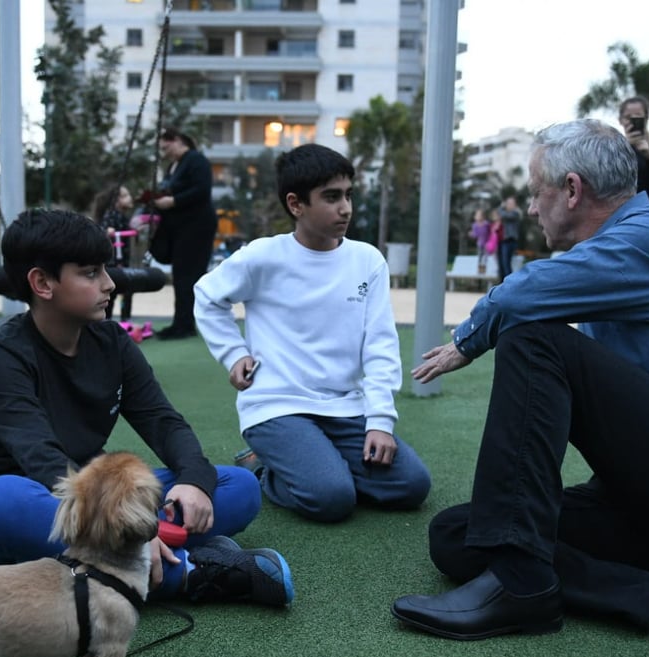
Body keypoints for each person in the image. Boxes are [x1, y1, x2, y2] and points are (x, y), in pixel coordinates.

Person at [390, 120, 649, 657]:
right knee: (461, 534)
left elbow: (525, 294)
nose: (530, 208)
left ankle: (523, 585)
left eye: (536, 192)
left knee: (533, 336)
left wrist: (466, 342)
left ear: (572, 190)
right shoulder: (609, 259)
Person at [0, 208, 293, 607]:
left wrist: (194, 480)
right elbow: (42, 461)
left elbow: (162, 421)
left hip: (99, 494)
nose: (109, 284)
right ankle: (190, 572)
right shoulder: (1, 355)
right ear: (43, 282)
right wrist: (131, 528)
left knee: (237, 488)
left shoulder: (111, 342)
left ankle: (117, 564)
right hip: (42, 498)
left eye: (105, 270)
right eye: (91, 273)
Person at [193, 143, 432, 523]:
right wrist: (233, 353)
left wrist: (380, 422)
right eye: (332, 197)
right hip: (277, 405)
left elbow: (381, 346)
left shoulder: (367, 260)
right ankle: (266, 468)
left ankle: (311, 463)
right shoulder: (263, 256)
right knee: (332, 499)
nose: (346, 208)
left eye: (349, 195)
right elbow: (207, 296)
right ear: (296, 204)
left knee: (411, 485)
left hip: (345, 406)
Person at [150, 128, 218, 340]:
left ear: (178, 140)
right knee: (181, 275)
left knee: (188, 275)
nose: (165, 152)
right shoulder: (174, 166)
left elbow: (201, 189)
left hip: (196, 227)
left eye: (166, 146)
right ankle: (182, 321)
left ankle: (185, 324)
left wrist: (173, 201)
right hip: (180, 227)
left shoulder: (196, 160)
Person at [93, 185, 137, 321]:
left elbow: (130, 229)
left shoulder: (123, 216)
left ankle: (125, 319)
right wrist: (108, 231)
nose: (130, 198)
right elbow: (104, 229)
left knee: (127, 291)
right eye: (124, 196)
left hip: (123, 260)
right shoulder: (111, 215)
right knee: (111, 292)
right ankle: (106, 319)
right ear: (115, 200)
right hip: (113, 262)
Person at [496, 196, 522, 281]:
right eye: (508, 203)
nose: (509, 205)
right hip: (502, 241)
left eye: (511, 203)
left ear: (515, 205)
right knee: (501, 265)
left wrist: (501, 207)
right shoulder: (506, 214)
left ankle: (508, 284)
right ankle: (502, 284)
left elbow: (503, 215)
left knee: (506, 264)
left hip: (509, 241)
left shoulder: (515, 213)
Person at [470, 208, 491, 272]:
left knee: (486, 257)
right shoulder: (474, 225)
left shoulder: (486, 224)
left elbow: (490, 232)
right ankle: (479, 270)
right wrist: (471, 234)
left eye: (479, 215)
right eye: (477, 215)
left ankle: (486, 269)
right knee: (479, 256)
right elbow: (475, 235)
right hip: (480, 243)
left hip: (487, 243)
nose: (478, 217)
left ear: (483, 216)